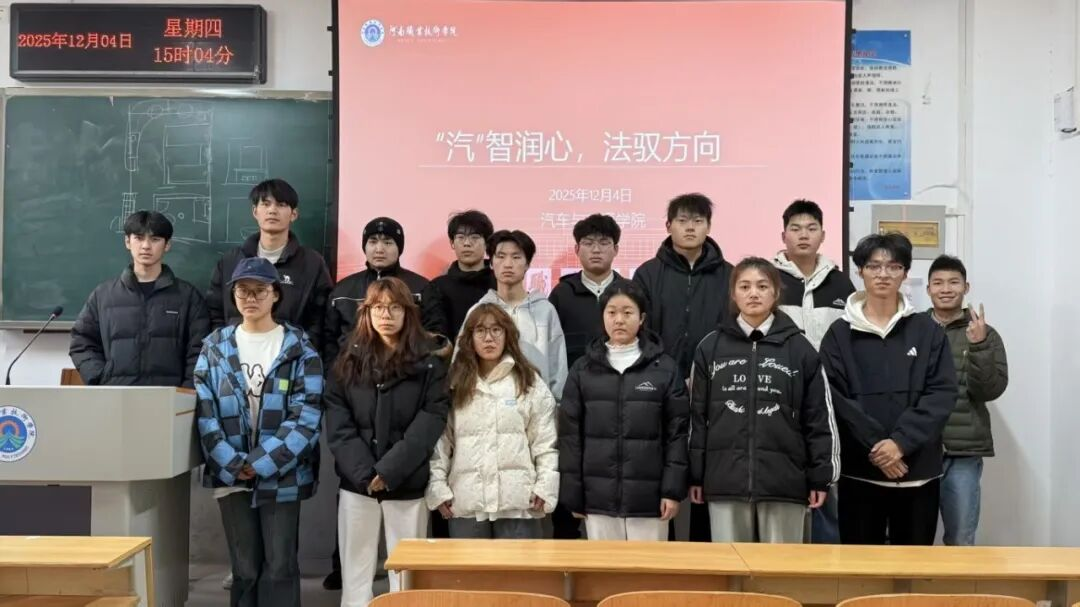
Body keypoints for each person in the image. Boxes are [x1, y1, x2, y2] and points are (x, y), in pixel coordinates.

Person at [193, 256, 324, 607]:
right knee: (245, 568)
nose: (250, 298)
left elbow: (307, 415)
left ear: (275, 294)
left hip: (283, 473)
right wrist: (234, 462)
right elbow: (205, 414)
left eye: (259, 290)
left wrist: (261, 462)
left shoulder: (299, 347)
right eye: (242, 290)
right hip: (231, 472)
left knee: (280, 566)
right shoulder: (215, 347)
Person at [819, 233, 957, 546]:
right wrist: (878, 447)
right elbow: (835, 398)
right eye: (874, 266)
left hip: (917, 473)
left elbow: (941, 393)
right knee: (860, 567)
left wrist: (900, 443)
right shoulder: (839, 334)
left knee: (914, 568)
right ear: (860, 271)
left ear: (905, 274)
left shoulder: (928, 331)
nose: (883, 274)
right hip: (860, 472)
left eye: (893, 267)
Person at [688, 257, 838, 543]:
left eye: (762, 286)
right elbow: (697, 418)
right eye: (744, 286)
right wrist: (696, 474)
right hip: (725, 482)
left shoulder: (800, 349)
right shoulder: (710, 347)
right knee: (731, 564)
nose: (753, 293)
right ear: (733, 294)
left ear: (776, 293)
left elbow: (819, 417)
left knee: (781, 565)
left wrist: (821, 476)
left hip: (785, 483)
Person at [324, 277, 450, 607]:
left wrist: (389, 470)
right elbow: (338, 423)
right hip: (357, 483)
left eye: (395, 307)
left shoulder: (430, 362)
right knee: (355, 573)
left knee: (407, 576)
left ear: (408, 312)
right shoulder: (346, 360)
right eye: (378, 307)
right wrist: (366, 473)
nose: (386, 315)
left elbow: (432, 418)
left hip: (406, 482)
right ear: (366, 313)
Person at [632, 192, 732, 541]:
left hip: (714, 391)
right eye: (683, 221)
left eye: (698, 221)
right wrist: (668, 377)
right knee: (663, 470)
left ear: (708, 227)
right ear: (668, 226)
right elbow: (641, 333)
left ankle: (706, 554)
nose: (690, 228)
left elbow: (731, 332)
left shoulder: (729, 275)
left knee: (708, 472)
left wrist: (704, 376)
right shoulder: (647, 274)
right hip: (659, 389)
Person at [559, 280, 689, 541]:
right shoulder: (583, 370)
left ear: (642, 318)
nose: (619, 320)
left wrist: (672, 491)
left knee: (649, 566)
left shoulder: (664, 368)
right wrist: (573, 493)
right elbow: (570, 436)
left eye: (628, 312)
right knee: (604, 566)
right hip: (598, 498)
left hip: (650, 500)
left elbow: (677, 433)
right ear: (603, 317)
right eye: (612, 312)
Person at [427, 303, 558, 538]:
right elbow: (440, 443)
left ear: (507, 335)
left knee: (519, 565)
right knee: (469, 565)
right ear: (469, 337)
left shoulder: (529, 382)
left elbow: (546, 441)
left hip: (519, 503)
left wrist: (545, 485)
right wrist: (438, 487)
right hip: (467, 503)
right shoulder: (454, 383)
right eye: (480, 330)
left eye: (496, 330)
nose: (489, 338)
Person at [771, 199, 854, 544]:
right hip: (779, 401)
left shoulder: (842, 285)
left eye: (811, 228)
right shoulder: (767, 281)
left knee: (829, 489)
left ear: (823, 235)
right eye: (795, 228)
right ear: (783, 235)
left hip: (831, 402)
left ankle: (827, 566)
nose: (803, 235)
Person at [70, 210, 209, 387]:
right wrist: (100, 378)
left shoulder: (188, 296)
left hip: (169, 397)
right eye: (139, 238)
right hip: (116, 395)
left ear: (167, 245)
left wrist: (186, 391)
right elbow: (81, 341)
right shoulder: (103, 295)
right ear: (127, 242)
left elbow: (200, 349)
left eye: (155, 239)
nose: (146, 246)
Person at [927, 255, 1009, 546]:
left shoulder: (984, 333)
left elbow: (989, 390)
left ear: (966, 287)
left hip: (963, 452)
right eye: (938, 283)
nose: (945, 289)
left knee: (961, 538)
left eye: (953, 282)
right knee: (910, 541)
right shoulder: (914, 328)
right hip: (918, 450)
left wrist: (979, 345)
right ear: (928, 289)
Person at [207, 178, 333, 352]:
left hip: (291, 358)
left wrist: (301, 352)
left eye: (281, 204)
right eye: (266, 204)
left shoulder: (312, 263)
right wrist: (227, 349)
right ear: (255, 211)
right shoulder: (230, 261)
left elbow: (320, 318)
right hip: (236, 356)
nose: (272, 210)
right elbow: (215, 312)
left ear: (294, 214)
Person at [325, 216, 447, 366]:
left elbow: (435, 336)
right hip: (352, 372)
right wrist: (334, 373)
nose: (379, 249)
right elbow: (329, 340)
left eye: (388, 242)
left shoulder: (422, 288)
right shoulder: (342, 290)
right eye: (373, 242)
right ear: (365, 247)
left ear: (399, 248)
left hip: (407, 371)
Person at [464, 230, 567, 400]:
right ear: (491, 263)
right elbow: (462, 363)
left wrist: (556, 405)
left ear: (527, 264)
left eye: (516, 257)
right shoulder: (478, 312)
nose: (508, 264)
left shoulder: (545, 311)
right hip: (488, 405)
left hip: (536, 405)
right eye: (501, 256)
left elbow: (558, 366)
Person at [549, 213, 623, 367]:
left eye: (604, 243)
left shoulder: (629, 292)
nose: (596, 250)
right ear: (577, 249)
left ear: (615, 249)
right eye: (588, 243)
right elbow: (551, 346)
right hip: (573, 379)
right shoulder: (562, 293)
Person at [430, 210, 496, 343]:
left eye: (474, 237)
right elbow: (435, 331)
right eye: (460, 237)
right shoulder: (437, 287)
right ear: (452, 243)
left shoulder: (500, 283)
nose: (467, 243)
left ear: (487, 243)